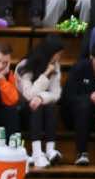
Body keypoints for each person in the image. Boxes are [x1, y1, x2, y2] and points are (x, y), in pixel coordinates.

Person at [17, 37, 66, 166]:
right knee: (36, 106)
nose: (59, 58)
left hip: (42, 111)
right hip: (22, 111)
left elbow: (56, 94)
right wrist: (46, 74)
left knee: (50, 105)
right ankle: (37, 152)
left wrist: (41, 98)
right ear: (49, 52)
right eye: (57, 54)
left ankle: (50, 150)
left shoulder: (55, 66)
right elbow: (28, 95)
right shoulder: (25, 65)